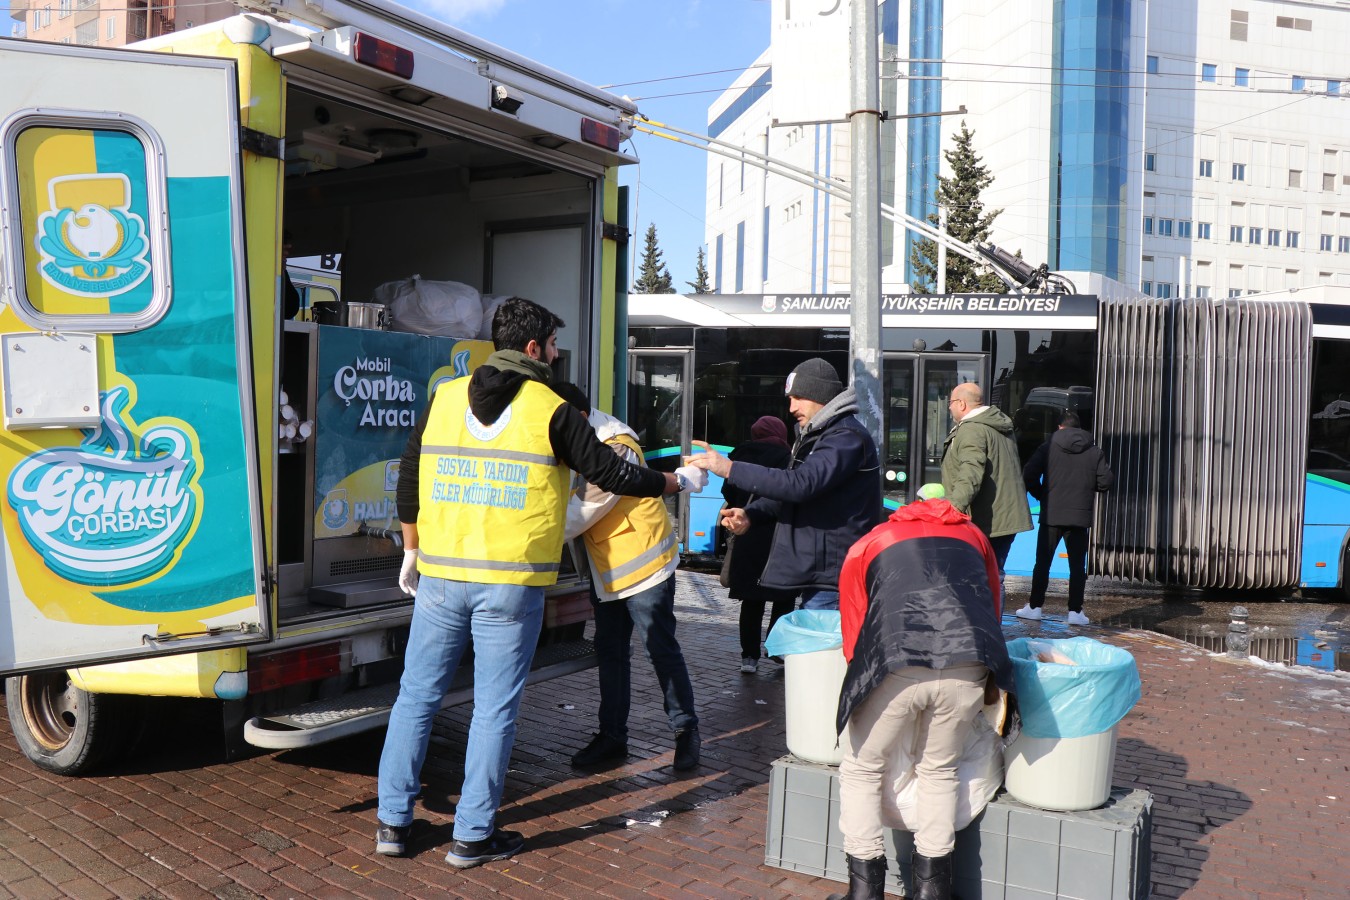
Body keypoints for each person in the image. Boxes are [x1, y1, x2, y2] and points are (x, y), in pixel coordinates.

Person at [375, 297, 686, 867]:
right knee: (494, 709)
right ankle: (472, 837)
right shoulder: (552, 408)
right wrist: (675, 481)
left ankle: (393, 825)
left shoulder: (445, 396)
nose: (558, 354)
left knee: (415, 697)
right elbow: (612, 472)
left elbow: (410, 474)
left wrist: (411, 548)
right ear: (534, 347)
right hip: (510, 584)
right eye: (554, 344)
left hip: (440, 577)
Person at [831, 483, 1014, 900]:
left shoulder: (874, 539)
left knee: (862, 768)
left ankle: (865, 890)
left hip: (896, 662)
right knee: (939, 769)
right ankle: (933, 890)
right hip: (969, 661)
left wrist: (858, 678)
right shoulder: (975, 537)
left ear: (908, 509)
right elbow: (991, 603)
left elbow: (854, 618)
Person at [553, 383, 702, 772]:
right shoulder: (583, 438)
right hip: (609, 570)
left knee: (659, 649)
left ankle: (686, 731)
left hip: (643, 567)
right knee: (612, 652)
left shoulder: (617, 447)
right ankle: (612, 737)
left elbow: (579, 514)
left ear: (578, 418)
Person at [685, 358, 882, 611]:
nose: (791, 407)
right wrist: (751, 514)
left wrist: (730, 468)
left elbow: (801, 484)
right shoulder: (820, 434)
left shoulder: (845, 437)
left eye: (798, 397)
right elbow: (792, 491)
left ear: (819, 394)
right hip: (822, 572)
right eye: (790, 399)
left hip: (835, 575)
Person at [1017, 410, 1115, 626]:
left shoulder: (1048, 447)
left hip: (1052, 514)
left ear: (1060, 427)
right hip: (1079, 517)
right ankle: (1075, 612)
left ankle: (1034, 607)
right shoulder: (1094, 451)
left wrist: (1042, 495)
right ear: (1079, 428)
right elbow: (1106, 482)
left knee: (1043, 563)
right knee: (1077, 567)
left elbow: (1028, 475)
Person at [722, 415, 796, 673]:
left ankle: (749, 658)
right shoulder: (787, 457)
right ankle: (775, 649)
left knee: (751, 600)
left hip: (747, 532)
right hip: (779, 535)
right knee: (783, 596)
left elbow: (728, 491)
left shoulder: (740, 456)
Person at [940, 382, 1032, 579]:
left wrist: (953, 510)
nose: (949, 407)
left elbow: (970, 472)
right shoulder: (998, 426)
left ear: (962, 404)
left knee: (983, 579)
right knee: (994, 574)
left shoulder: (972, 429)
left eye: (951, 402)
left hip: (988, 521)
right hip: (1005, 518)